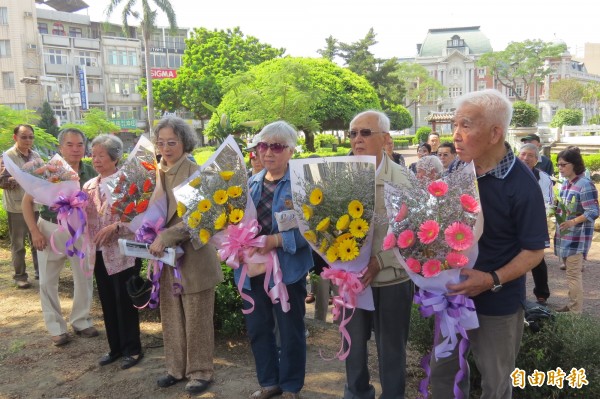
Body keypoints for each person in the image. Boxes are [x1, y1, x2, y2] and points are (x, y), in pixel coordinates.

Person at [430, 89, 548, 399]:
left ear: (495, 132)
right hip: (451, 298)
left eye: (465, 125)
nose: (455, 135)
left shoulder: (522, 184)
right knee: (443, 377)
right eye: (455, 124)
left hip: (497, 305)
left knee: (496, 385)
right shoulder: (457, 169)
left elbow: (534, 251)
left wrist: (491, 279)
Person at [147, 117, 223, 395]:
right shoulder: (154, 173)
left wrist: (165, 236)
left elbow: (201, 217)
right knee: (171, 315)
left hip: (194, 259)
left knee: (197, 317)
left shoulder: (196, 172)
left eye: (172, 142)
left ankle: (201, 371)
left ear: (184, 143)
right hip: (164, 259)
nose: (166, 148)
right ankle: (175, 368)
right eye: (161, 142)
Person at [240, 121, 313, 399]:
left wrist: (278, 241)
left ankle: (292, 385)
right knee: (258, 327)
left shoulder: (303, 184)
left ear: (291, 151)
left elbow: (316, 230)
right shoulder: (251, 183)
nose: (268, 152)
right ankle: (269, 382)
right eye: (263, 145)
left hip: (288, 270)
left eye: (276, 146)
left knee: (290, 329)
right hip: (253, 268)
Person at [345, 110, 413, 398]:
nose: (357, 139)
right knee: (353, 348)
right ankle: (357, 393)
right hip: (352, 280)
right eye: (353, 133)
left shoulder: (403, 179)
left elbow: (415, 235)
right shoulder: (340, 176)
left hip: (391, 279)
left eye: (365, 133)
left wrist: (379, 262)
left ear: (385, 139)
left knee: (391, 350)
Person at [22, 128, 98, 346]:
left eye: (80, 145)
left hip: (80, 232)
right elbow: (26, 203)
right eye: (70, 145)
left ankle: (81, 320)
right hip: (49, 230)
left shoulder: (91, 172)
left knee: (84, 277)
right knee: (47, 280)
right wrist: (35, 232)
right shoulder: (48, 171)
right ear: (60, 147)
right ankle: (56, 327)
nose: (75, 149)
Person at [83, 134, 143, 369]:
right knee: (107, 300)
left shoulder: (127, 183)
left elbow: (140, 218)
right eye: (93, 154)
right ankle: (115, 347)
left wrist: (117, 226)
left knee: (125, 300)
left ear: (114, 157)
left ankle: (133, 349)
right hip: (98, 251)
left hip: (124, 252)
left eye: (101, 155)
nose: (95, 159)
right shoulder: (88, 185)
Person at [553, 147, 599, 313]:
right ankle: (572, 304)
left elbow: (593, 211)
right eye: (558, 165)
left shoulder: (585, 184)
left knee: (573, 274)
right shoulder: (565, 184)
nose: (560, 168)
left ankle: (575, 312)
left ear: (575, 165)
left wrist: (572, 222)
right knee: (570, 274)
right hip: (565, 237)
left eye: (563, 164)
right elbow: (564, 209)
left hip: (576, 238)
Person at [0, 124, 41, 288]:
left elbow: (43, 176)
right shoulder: (7, 156)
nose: (28, 140)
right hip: (16, 206)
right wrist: (19, 178)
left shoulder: (36, 155)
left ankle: (41, 272)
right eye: (24, 136)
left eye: (31, 137)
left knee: (38, 240)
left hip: (35, 204)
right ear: (15, 137)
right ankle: (20, 276)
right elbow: (2, 182)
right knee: (18, 244)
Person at [518, 143, 554, 305]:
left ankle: (542, 294)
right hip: (513, 223)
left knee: (537, 258)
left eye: (530, 155)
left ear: (536, 159)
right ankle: (515, 293)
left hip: (535, 223)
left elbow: (549, 202)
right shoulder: (509, 174)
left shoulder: (544, 178)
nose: (525, 158)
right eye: (523, 154)